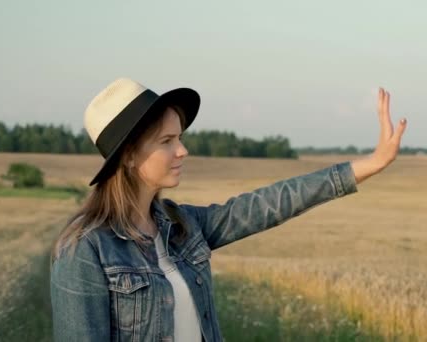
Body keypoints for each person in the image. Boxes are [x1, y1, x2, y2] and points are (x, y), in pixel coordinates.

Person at [49, 77, 407, 341]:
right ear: (128, 156)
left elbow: (270, 204)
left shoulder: (183, 225)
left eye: (181, 138)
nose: (182, 151)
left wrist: (369, 165)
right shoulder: (86, 249)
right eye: (167, 141)